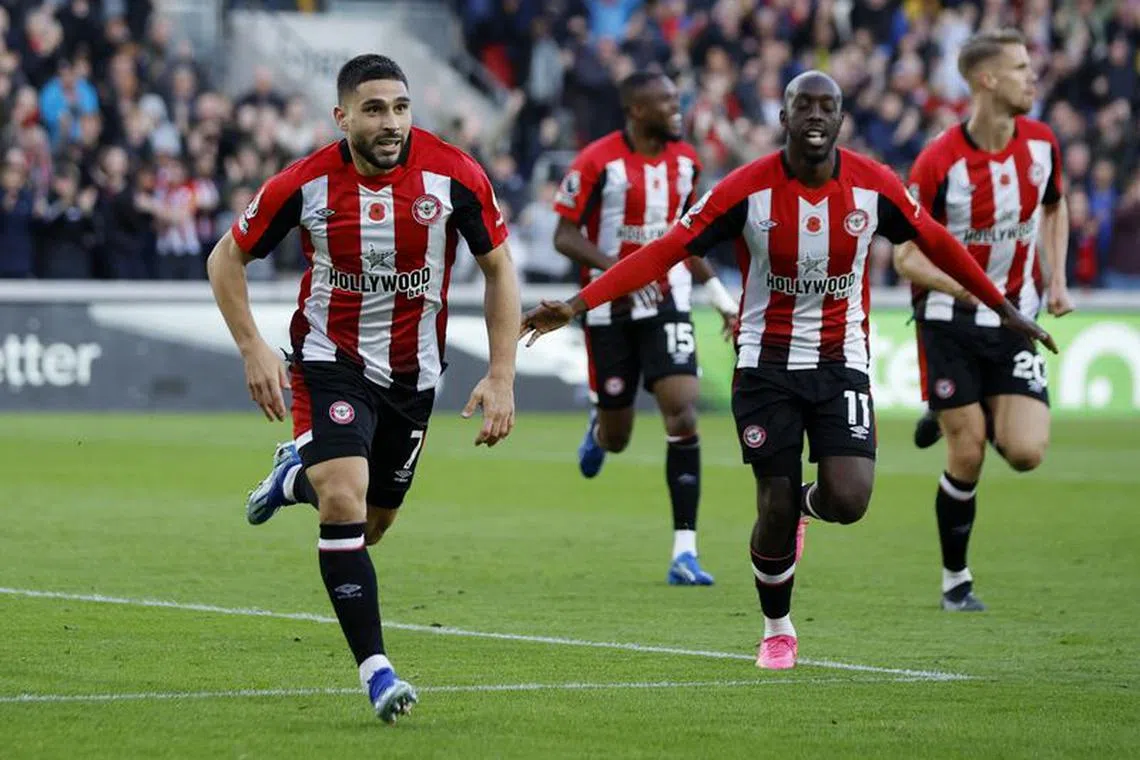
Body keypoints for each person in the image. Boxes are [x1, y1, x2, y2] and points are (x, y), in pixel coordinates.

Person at [519, 71, 1054, 671]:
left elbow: (936, 240)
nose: (817, 116)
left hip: (842, 363)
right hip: (766, 366)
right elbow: (668, 249)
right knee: (770, 505)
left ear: (842, 119)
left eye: (829, 106)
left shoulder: (874, 186)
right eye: (805, 105)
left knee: (849, 501)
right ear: (786, 117)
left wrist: (1003, 306)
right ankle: (778, 628)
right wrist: (575, 305)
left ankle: (803, 507)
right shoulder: (744, 190)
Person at [206, 54, 521, 723]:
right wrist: (253, 346)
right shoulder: (306, 182)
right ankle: (377, 672)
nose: (391, 122)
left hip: (414, 376)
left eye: (401, 107)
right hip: (330, 361)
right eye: (374, 109)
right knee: (343, 499)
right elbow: (225, 257)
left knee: (372, 527)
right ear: (341, 115)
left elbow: (499, 270)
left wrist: (501, 374)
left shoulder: (455, 175)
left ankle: (294, 475)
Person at [893, 29, 1072, 612]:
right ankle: (955, 583)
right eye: (1021, 68)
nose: (1032, 77)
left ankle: (956, 409)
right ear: (986, 80)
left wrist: (1058, 278)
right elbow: (905, 255)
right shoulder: (939, 160)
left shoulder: (1043, 144)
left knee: (1025, 452)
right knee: (966, 452)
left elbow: (1054, 205)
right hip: (948, 321)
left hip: (1017, 320)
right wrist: (969, 291)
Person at [552, 70, 739, 585]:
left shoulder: (687, 164)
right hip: (609, 310)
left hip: (668, 304)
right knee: (617, 437)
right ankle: (599, 428)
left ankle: (685, 552)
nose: (677, 110)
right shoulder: (596, 162)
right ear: (636, 110)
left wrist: (722, 300)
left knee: (682, 414)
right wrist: (620, 271)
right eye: (666, 102)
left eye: (677, 100)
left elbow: (688, 242)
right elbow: (563, 236)